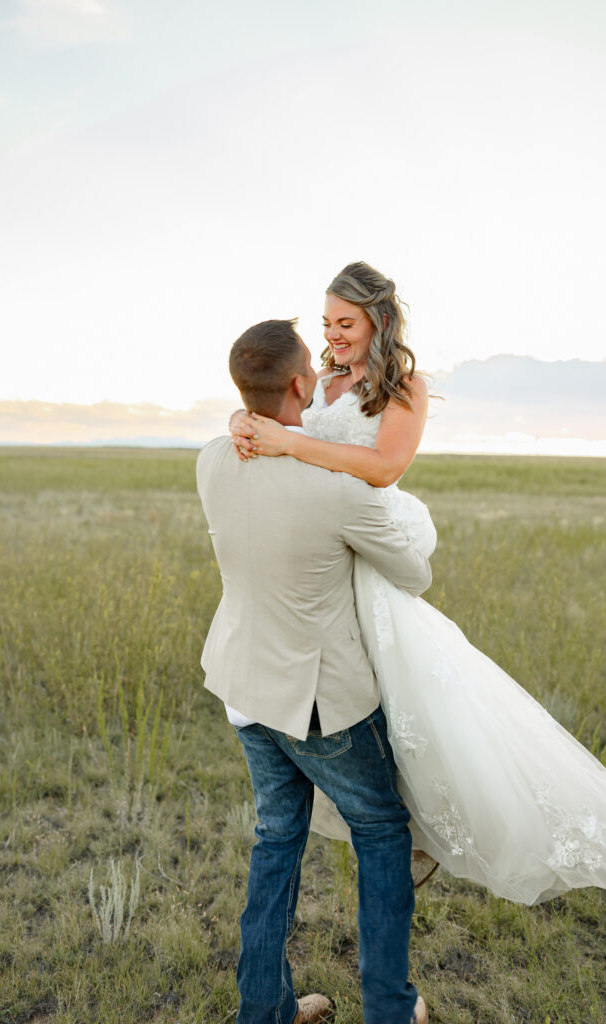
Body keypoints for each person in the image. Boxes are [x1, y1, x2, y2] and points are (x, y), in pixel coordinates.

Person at [230, 262, 606, 905]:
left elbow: (385, 465)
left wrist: (291, 447)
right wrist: (247, 425)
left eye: (346, 323)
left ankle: (424, 832)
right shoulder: (321, 384)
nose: (334, 337)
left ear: (379, 320)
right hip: (322, 558)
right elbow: (275, 415)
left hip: (369, 552)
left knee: (409, 705)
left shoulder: (405, 387)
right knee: (353, 705)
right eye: (326, 324)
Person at [197, 318, 433, 1024]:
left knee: (277, 840)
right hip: (317, 704)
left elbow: (246, 435)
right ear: (302, 383)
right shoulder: (335, 490)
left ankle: (261, 1009)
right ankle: (390, 1008)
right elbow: (413, 573)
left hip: (243, 688)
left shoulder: (212, 456)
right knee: (383, 832)